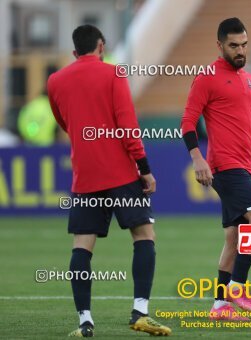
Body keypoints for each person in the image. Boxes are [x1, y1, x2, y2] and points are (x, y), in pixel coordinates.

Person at [47, 24, 170, 337]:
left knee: (81, 246)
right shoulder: (114, 75)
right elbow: (127, 125)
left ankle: (85, 321)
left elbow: (65, 122)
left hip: (85, 175)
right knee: (144, 235)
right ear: (101, 46)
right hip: (121, 172)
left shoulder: (55, 81)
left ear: (75, 52)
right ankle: (140, 312)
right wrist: (144, 166)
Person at [181, 17, 251, 321]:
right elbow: (188, 122)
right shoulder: (206, 77)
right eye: (234, 45)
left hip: (247, 167)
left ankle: (220, 307)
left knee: (234, 238)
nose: (240, 50)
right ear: (220, 45)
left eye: (244, 44)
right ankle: (238, 287)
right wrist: (197, 158)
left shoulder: (249, 79)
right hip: (224, 165)